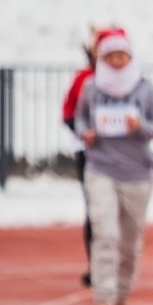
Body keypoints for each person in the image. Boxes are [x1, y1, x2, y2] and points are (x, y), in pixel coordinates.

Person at [73, 27, 153, 305]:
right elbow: (80, 119)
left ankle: (122, 297)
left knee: (130, 241)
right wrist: (84, 133)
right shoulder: (91, 87)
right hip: (100, 167)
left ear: (130, 56)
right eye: (110, 55)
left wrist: (139, 125)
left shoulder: (145, 89)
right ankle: (103, 297)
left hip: (137, 172)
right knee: (105, 233)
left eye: (121, 55)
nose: (116, 61)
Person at [59, 36, 97, 287]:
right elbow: (68, 112)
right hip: (90, 153)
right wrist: (83, 131)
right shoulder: (83, 79)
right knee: (95, 209)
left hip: (124, 158)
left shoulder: (132, 81)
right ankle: (96, 265)